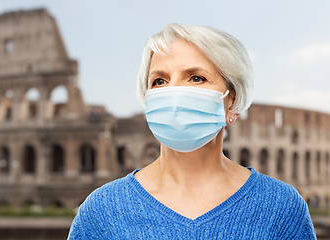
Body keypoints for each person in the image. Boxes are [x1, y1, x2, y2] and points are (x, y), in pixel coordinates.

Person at [67, 23, 316, 239]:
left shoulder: (282, 208)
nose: (173, 92)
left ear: (233, 102)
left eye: (196, 78)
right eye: (159, 81)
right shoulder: (102, 212)